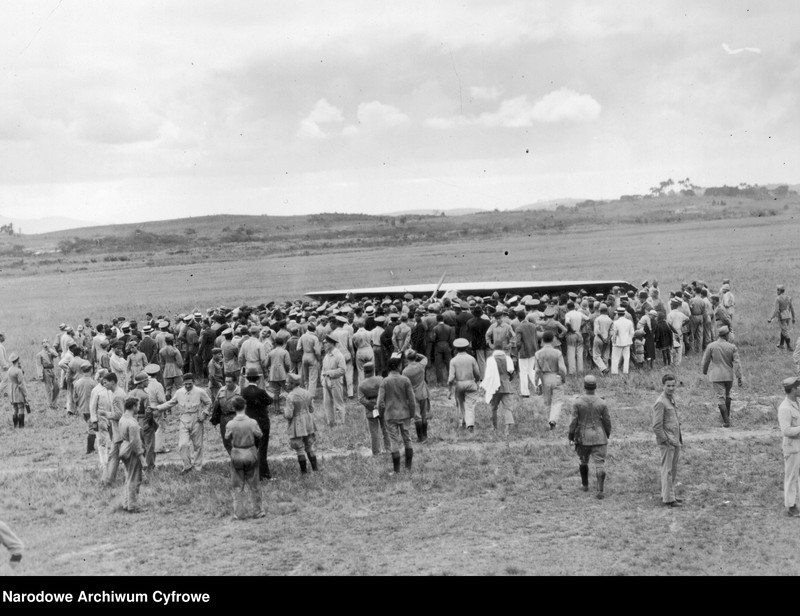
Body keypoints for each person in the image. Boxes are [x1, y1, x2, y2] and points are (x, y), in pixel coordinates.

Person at [155, 373, 212, 474]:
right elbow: (170, 403)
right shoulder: (179, 392)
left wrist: (204, 413)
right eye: (186, 384)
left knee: (197, 445)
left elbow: (209, 403)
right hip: (184, 420)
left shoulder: (200, 391)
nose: (188, 386)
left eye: (190, 384)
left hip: (196, 420)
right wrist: (157, 408)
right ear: (183, 383)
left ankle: (197, 468)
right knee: (183, 444)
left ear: (193, 382)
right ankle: (187, 466)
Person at [568, 375, 612, 499]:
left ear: (584, 386)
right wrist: (607, 433)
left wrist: (571, 435)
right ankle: (600, 490)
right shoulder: (602, 402)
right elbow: (607, 421)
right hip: (599, 436)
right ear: (595, 386)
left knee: (583, 460)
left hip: (583, 437)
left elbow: (573, 421)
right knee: (600, 463)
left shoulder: (577, 402)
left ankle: (585, 485)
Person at [225, 395, 265, 520]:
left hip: (237, 453)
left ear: (233, 408)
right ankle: (258, 511)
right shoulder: (252, 422)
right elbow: (259, 434)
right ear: (245, 406)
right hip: (250, 452)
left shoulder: (230, 424)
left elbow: (227, 437)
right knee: (254, 484)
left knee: (237, 485)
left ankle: (238, 513)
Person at [377, 355, 419, 474]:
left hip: (390, 415)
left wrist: (381, 413)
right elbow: (412, 400)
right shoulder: (405, 380)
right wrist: (412, 413)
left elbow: (380, 402)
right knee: (407, 439)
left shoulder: (385, 381)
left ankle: (396, 470)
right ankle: (408, 467)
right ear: (398, 366)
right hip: (404, 414)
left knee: (394, 441)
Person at [700, 326, 743, 427]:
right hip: (728, 375)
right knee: (727, 395)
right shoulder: (732, 347)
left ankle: (726, 421)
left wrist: (704, 371)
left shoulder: (711, 346)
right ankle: (727, 417)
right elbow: (737, 363)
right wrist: (739, 377)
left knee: (720, 397)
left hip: (716, 375)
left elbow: (706, 361)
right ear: (727, 335)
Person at [652, 374, 683, 507]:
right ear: (663, 386)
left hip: (675, 440)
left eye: (673, 385)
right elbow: (656, 426)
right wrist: (665, 440)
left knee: (672, 470)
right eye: (668, 385)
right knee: (667, 470)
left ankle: (669, 495)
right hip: (668, 442)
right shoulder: (660, 402)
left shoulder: (671, 399)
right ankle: (669, 499)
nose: (671, 388)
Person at [241, 367, 274, 481]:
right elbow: (270, 401)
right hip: (262, 422)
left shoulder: (243, 391)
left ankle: (251, 473)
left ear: (247, 378)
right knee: (262, 449)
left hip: (249, 422)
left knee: (251, 448)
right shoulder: (261, 392)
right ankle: (264, 474)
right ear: (258, 379)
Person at [283, 372, 319, 474]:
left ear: (293, 384)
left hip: (297, 423)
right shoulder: (307, 393)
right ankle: (315, 469)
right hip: (308, 421)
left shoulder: (290, 396)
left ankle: (304, 472)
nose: (286, 384)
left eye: (288, 383)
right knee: (309, 446)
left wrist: (284, 411)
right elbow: (311, 409)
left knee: (299, 448)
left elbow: (289, 415)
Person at [533, 331, 567, 430]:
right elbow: (562, 369)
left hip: (545, 378)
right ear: (553, 340)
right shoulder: (557, 352)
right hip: (556, 376)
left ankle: (549, 421)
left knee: (547, 401)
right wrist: (563, 378)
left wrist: (536, 383)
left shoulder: (538, 353)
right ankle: (553, 420)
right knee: (557, 401)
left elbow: (537, 370)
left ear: (542, 340)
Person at [118, 397, 146, 512]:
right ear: (134, 407)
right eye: (137, 406)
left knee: (128, 477)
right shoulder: (132, 423)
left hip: (124, 448)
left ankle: (126, 503)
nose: (138, 408)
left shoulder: (123, 418)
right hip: (131, 451)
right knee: (134, 479)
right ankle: (133, 506)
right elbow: (135, 443)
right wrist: (142, 458)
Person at [480, 345, 515, 436]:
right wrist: (508, 380)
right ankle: (507, 430)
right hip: (506, 385)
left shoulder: (490, 360)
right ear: (502, 349)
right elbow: (511, 373)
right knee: (508, 408)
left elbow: (488, 375)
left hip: (494, 386)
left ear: (494, 349)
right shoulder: (508, 358)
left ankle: (494, 427)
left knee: (493, 408)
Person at [448, 338, 481, 433]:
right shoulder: (471, 359)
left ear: (456, 348)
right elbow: (477, 374)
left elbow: (451, 378)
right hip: (470, 383)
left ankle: (462, 423)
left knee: (460, 403)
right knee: (470, 405)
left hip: (459, 384)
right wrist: (477, 381)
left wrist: (449, 390)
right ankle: (470, 424)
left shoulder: (453, 361)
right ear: (466, 348)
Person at [358, 362, 391, 455]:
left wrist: (372, 406)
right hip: (382, 406)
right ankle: (388, 449)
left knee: (374, 432)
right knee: (386, 429)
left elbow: (361, 399)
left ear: (364, 372)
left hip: (371, 409)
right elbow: (387, 391)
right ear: (373, 370)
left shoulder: (361, 385)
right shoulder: (380, 379)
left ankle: (376, 452)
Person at [778, 376, 800, 517]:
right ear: (792, 390)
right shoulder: (784, 408)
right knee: (791, 477)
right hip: (792, 448)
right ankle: (790, 506)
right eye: (798, 387)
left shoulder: (797, 403)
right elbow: (786, 430)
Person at [403, 349, 430, 443]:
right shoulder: (421, 365)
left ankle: (420, 437)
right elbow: (425, 357)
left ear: (407, 359)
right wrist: (415, 354)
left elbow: (405, 384)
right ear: (415, 357)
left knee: (417, 417)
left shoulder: (405, 371)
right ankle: (425, 436)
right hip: (423, 392)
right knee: (424, 415)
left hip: (413, 395)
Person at [210, 374, 240, 454]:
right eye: (226, 382)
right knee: (226, 441)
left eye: (229, 382)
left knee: (237, 440)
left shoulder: (240, 391)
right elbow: (216, 404)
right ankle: (233, 457)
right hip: (224, 417)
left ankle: (239, 458)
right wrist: (214, 418)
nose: (227, 384)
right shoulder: (222, 390)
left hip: (235, 417)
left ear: (235, 382)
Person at [321, 334, 346, 427]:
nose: (324, 345)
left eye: (326, 343)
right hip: (326, 381)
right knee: (327, 403)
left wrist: (329, 373)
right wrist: (322, 379)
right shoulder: (327, 355)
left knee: (338, 403)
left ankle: (340, 423)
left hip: (336, 381)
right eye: (324, 343)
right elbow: (323, 369)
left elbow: (342, 370)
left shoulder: (339, 355)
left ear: (332, 343)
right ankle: (331, 422)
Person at [73, 361, 97, 452]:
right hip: (91, 409)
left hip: (82, 408)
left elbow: (75, 397)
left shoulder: (77, 383)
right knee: (92, 429)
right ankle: (89, 448)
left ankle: (91, 448)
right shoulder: (93, 383)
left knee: (90, 426)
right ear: (90, 370)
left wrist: (77, 406)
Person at [515, 313, 539, 397]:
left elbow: (518, 342)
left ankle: (525, 392)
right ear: (525, 317)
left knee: (523, 372)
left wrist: (518, 350)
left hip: (523, 352)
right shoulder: (533, 326)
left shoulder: (519, 328)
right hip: (533, 350)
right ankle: (539, 386)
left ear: (518, 319)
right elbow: (536, 338)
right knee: (531, 370)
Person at [35, 339, 60, 409]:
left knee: (57, 387)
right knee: (48, 388)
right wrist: (40, 375)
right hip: (45, 370)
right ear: (42, 344)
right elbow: (39, 365)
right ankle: (50, 404)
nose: (45, 343)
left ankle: (54, 402)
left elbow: (56, 355)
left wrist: (49, 348)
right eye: (44, 342)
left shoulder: (50, 352)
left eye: (47, 342)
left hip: (52, 370)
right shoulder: (39, 354)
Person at [769, 285, 796, 351]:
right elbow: (792, 308)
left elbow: (776, 310)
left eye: (777, 290)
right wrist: (793, 317)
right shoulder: (789, 297)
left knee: (785, 331)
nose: (777, 292)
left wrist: (771, 318)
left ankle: (789, 346)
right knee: (784, 329)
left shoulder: (778, 299)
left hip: (782, 317)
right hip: (788, 316)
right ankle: (781, 344)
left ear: (779, 291)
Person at [609, 308, 634, 375]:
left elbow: (613, 333)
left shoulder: (615, 322)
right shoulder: (629, 322)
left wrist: (613, 340)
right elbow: (632, 333)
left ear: (617, 314)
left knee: (615, 357)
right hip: (627, 342)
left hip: (617, 342)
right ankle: (625, 371)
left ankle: (614, 372)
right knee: (626, 357)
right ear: (624, 314)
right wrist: (629, 339)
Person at [7, 353, 28, 429]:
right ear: (18, 360)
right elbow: (21, 384)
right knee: (21, 407)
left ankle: (15, 425)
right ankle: (21, 426)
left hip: (11, 390)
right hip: (18, 390)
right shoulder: (18, 371)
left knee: (15, 408)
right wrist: (25, 394)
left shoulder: (9, 369)